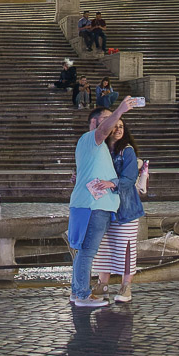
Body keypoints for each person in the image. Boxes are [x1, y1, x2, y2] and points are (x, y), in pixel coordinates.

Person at [68, 97, 139, 307]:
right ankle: (82, 294)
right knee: (88, 251)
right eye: (109, 120)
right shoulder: (93, 138)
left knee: (84, 250)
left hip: (93, 205)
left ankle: (77, 291)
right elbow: (102, 130)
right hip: (93, 206)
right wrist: (120, 109)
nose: (115, 124)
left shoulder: (100, 147)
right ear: (96, 123)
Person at [94, 117, 142, 302]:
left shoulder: (127, 151)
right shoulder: (103, 150)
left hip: (126, 208)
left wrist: (110, 184)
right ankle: (102, 284)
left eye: (121, 126)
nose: (119, 130)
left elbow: (129, 179)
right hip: (105, 206)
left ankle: (126, 286)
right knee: (104, 246)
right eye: (115, 127)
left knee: (126, 247)